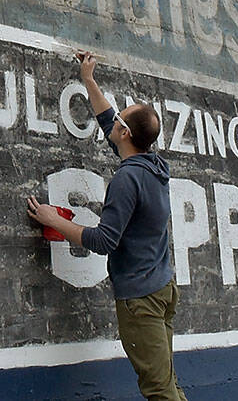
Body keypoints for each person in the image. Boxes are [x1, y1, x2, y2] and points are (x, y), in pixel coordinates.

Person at [27, 51, 188, 401]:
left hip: (141, 298)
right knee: (168, 383)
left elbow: (103, 240)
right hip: (163, 288)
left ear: (125, 132)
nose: (114, 119)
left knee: (159, 389)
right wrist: (88, 80)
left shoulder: (127, 180)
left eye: (120, 119)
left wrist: (55, 220)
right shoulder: (154, 166)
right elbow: (109, 121)